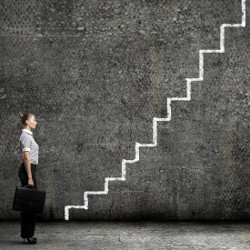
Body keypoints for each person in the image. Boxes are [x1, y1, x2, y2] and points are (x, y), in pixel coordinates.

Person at [18, 113, 39, 244]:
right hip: (27, 171)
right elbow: (26, 158)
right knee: (29, 205)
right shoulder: (25, 137)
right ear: (27, 122)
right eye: (33, 120)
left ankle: (28, 233)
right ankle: (28, 235)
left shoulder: (28, 136)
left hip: (30, 170)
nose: (35, 122)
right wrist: (30, 178)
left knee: (30, 205)